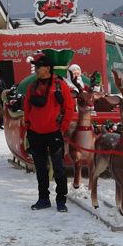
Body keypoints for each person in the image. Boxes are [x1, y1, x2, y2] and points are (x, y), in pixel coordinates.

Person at [23, 53, 75, 212]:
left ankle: (61, 200)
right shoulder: (32, 86)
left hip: (54, 132)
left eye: (38, 66)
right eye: (35, 66)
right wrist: (28, 125)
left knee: (58, 168)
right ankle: (43, 198)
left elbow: (69, 107)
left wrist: (63, 127)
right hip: (35, 133)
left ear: (47, 68)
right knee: (40, 168)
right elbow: (26, 108)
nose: (36, 69)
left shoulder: (60, 85)